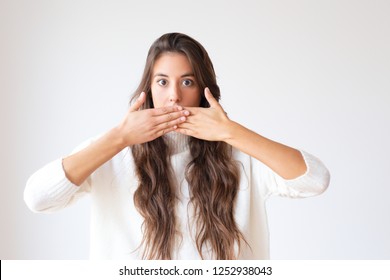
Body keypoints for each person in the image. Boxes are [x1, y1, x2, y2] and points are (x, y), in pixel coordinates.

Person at [24, 32, 330, 260]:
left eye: (187, 82)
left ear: (203, 89)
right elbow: (37, 198)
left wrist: (231, 132)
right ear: (148, 89)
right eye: (162, 82)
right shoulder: (114, 149)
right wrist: (119, 137)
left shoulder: (237, 151)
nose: (174, 96)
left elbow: (315, 180)